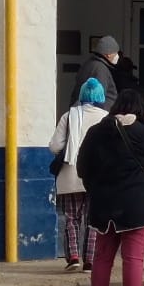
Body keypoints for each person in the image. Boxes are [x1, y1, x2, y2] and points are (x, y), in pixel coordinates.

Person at [75, 89, 144, 286]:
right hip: (135, 204)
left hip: (102, 204)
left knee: (102, 257)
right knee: (133, 257)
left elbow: (82, 167)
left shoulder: (96, 132)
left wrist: (94, 188)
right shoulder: (140, 131)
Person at [48, 78, 110, 272]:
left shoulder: (68, 116)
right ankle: (90, 260)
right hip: (98, 176)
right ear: (100, 96)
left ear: (82, 95)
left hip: (71, 175)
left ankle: (73, 257)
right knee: (93, 219)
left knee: (71, 217)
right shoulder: (107, 118)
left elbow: (54, 146)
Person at [70, 35, 120, 110]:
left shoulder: (89, 64)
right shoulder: (100, 69)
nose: (117, 56)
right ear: (108, 54)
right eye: (116, 53)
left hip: (82, 111)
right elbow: (98, 97)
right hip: (99, 113)